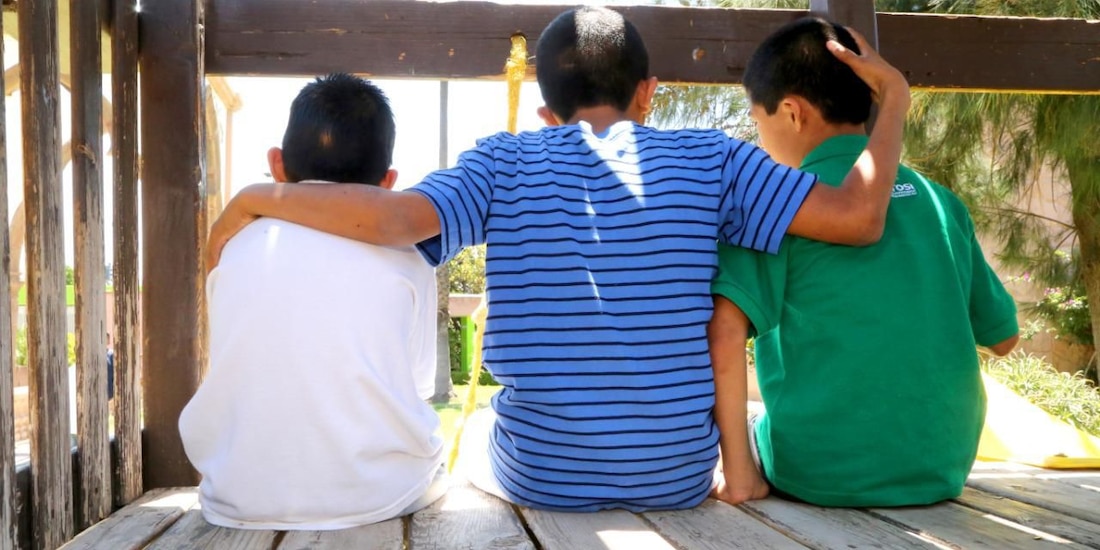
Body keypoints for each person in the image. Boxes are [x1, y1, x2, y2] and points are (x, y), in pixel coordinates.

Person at [206, 7, 912, 512]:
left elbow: (391, 221)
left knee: (481, 431)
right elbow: (859, 216)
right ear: (648, 94)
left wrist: (257, 198)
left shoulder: (503, 160)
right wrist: (896, 100)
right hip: (676, 479)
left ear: (546, 111)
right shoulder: (715, 158)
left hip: (542, 478)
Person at [708, 18, 1020, 508]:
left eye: (757, 120)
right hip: (943, 466)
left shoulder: (773, 208)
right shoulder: (941, 201)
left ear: (791, 112)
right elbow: (1003, 337)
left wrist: (738, 473)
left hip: (820, 470)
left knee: (753, 423)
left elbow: (725, 333)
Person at [179, 73, 445, 530]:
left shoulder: (234, 245)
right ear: (388, 181)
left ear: (276, 164)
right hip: (378, 496)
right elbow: (419, 382)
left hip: (235, 498)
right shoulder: (409, 257)